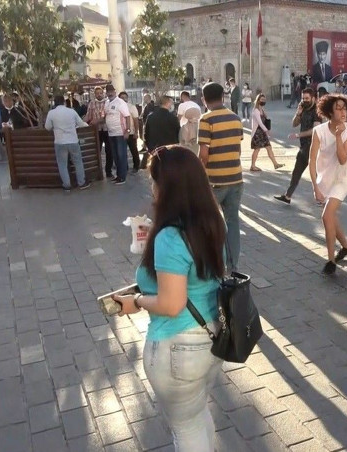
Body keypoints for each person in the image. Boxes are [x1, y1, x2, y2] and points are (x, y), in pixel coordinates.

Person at [113, 146, 226, 452]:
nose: (152, 188)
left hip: (177, 347)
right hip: (211, 335)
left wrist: (136, 302)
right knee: (196, 415)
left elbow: (171, 304)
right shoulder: (214, 220)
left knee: (185, 427)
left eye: (154, 181)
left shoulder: (170, 238)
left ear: (169, 188)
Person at [198, 82, 244, 271]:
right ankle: (232, 266)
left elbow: (203, 154)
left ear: (204, 99)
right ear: (223, 97)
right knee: (232, 221)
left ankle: (210, 264)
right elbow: (238, 149)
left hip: (214, 181)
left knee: (205, 222)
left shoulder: (206, 119)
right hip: (236, 178)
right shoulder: (236, 118)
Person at [309, 94, 347, 276]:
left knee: (326, 215)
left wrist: (338, 136)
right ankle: (346, 247)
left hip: (341, 178)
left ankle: (331, 261)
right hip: (324, 179)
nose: (343, 112)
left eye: (345, 108)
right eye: (338, 108)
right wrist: (315, 187)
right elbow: (311, 160)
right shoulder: (319, 131)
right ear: (329, 112)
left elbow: (343, 159)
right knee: (331, 217)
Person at [275, 88, 321, 205]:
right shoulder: (303, 108)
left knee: (315, 173)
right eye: (303, 98)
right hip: (303, 146)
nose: (304, 100)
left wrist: (298, 135)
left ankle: (322, 197)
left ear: (313, 98)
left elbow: (315, 130)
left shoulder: (317, 111)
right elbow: (294, 124)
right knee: (296, 172)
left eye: (307, 98)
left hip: (312, 146)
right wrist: (298, 113)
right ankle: (288, 196)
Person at [44, 94, 90, 191]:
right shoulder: (71, 111)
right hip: (73, 140)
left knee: (62, 164)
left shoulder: (51, 113)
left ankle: (67, 185)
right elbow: (81, 123)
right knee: (78, 162)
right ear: (64, 102)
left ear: (55, 103)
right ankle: (82, 183)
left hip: (59, 142)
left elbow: (47, 127)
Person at [104, 84, 132, 185]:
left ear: (114, 91)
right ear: (106, 93)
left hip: (120, 133)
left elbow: (127, 116)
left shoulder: (120, 102)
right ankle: (118, 175)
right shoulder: (107, 103)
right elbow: (106, 115)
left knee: (121, 155)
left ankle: (122, 177)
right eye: (108, 91)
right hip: (111, 133)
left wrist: (127, 130)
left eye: (111, 91)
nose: (110, 93)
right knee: (115, 156)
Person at [249, 94, 283, 171]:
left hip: (262, 132)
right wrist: (267, 131)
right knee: (257, 149)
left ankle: (275, 164)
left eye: (264, 100)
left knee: (269, 147)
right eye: (262, 100)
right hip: (257, 132)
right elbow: (260, 123)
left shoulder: (262, 110)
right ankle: (252, 166)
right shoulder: (256, 110)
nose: (263, 101)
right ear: (258, 100)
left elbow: (265, 120)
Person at [85, 87, 111, 178]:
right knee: (96, 151)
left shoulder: (108, 102)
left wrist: (98, 120)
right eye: (97, 93)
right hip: (96, 131)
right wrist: (81, 123)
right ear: (95, 94)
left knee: (109, 151)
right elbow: (88, 116)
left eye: (100, 93)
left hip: (107, 129)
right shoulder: (92, 103)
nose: (99, 95)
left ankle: (108, 171)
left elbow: (108, 116)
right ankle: (97, 172)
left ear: (103, 93)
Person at [119, 92, 142, 173]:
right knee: (122, 152)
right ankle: (125, 167)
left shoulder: (131, 107)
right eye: (121, 97)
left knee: (133, 150)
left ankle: (136, 166)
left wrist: (136, 132)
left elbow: (136, 120)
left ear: (127, 98)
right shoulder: (117, 107)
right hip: (120, 133)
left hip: (131, 133)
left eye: (125, 97)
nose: (123, 99)